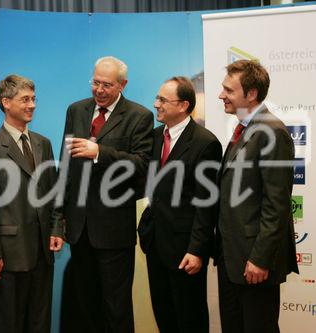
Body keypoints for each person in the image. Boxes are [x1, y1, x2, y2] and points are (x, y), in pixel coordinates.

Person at [59, 56, 153, 332]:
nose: (99, 90)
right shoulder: (76, 110)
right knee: (85, 306)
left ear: (122, 85)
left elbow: (142, 164)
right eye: (95, 82)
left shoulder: (139, 116)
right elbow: (65, 167)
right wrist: (59, 218)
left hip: (113, 231)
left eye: (107, 85)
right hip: (78, 229)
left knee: (116, 308)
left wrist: (100, 152)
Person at [0, 74, 64, 333]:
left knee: (39, 323)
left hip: (42, 254)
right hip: (8, 257)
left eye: (34, 99)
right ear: (6, 102)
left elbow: (53, 190)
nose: (32, 105)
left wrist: (57, 228)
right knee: (7, 324)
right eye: (25, 99)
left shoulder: (42, 143)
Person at [216, 59, 298, 333]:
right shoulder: (243, 129)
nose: (221, 95)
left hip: (254, 262)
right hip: (233, 259)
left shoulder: (272, 132)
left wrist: (261, 259)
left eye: (229, 90)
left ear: (251, 94)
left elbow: (276, 205)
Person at [138, 76, 222, 332]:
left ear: (183, 105)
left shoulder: (205, 143)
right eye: (157, 98)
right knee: (164, 317)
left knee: (189, 318)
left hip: (185, 250)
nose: (156, 104)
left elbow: (206, 204)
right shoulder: (152, 138)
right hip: (156, 245)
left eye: (163, 100)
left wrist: (197, 249)